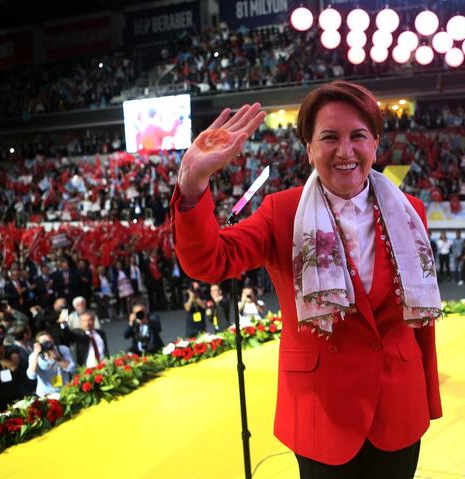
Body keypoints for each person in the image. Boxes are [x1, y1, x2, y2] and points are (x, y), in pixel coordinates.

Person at [171, 81, 442, 477]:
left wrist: (428, 394)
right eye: (329, 137)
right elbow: (211, 261)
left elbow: (421, 324)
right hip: (321, 411)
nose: (345, 151)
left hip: (398, 405)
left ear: (376, 143)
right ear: (309, 147)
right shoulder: (282, 211)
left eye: (358, 136)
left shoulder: (410, 211)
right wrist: (192, 185)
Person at [27, 330, 76, 396]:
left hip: (65, 390)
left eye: (49, 340)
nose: (47, 343)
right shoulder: (34, 356)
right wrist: (36, 353)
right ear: (39, 344)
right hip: (46, 394)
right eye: (44, 342)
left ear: (53, 340)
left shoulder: (63, 350)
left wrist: (58, 359)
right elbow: (31, 376)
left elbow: (73, 369)